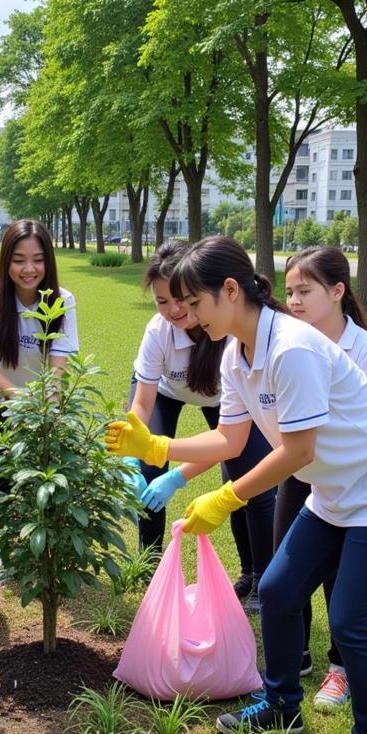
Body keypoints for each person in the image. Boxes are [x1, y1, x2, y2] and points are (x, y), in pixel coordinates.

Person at [106, 236, 367, 734]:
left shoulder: (291, 348)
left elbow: (298, 451)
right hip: (335, 492)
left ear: (231, 291)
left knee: (353, 624)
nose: (186, 316)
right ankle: (282, 703)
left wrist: (228, 497)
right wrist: (157, 449)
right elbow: (229, 439)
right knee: (281, 592)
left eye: (195, 302)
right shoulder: (236, 354)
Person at [129, 242, 276, 605]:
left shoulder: (228, 332)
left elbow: (229, 439)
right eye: (162, 301)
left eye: (183, 299)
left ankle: (255, 575)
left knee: (245, 481)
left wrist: (179, 476)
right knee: (148, 469)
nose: (174, 310)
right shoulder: (159, 331)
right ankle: (151, 572)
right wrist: (132, 453)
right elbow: (144, 400)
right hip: (168, 392)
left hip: (225, 400)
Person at [281, 247, 367, 711]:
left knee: (339, 579)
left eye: (304, 290)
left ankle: (340, 668)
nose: (295, 301)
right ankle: (296, 654)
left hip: (352, 482)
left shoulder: (364, 349)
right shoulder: (292, 341)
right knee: (285, 567)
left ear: (338, 291)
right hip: (301, 470)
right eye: (289, 292)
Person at [0, 219, 78, 461]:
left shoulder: (63, 301)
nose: (29, 269)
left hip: (42, 405)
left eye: (38, 260)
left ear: (48, 262)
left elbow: (58, 366)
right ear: (6, 260)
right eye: (19, 260)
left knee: (39, 473)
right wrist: (22, 400)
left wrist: (47, 408)